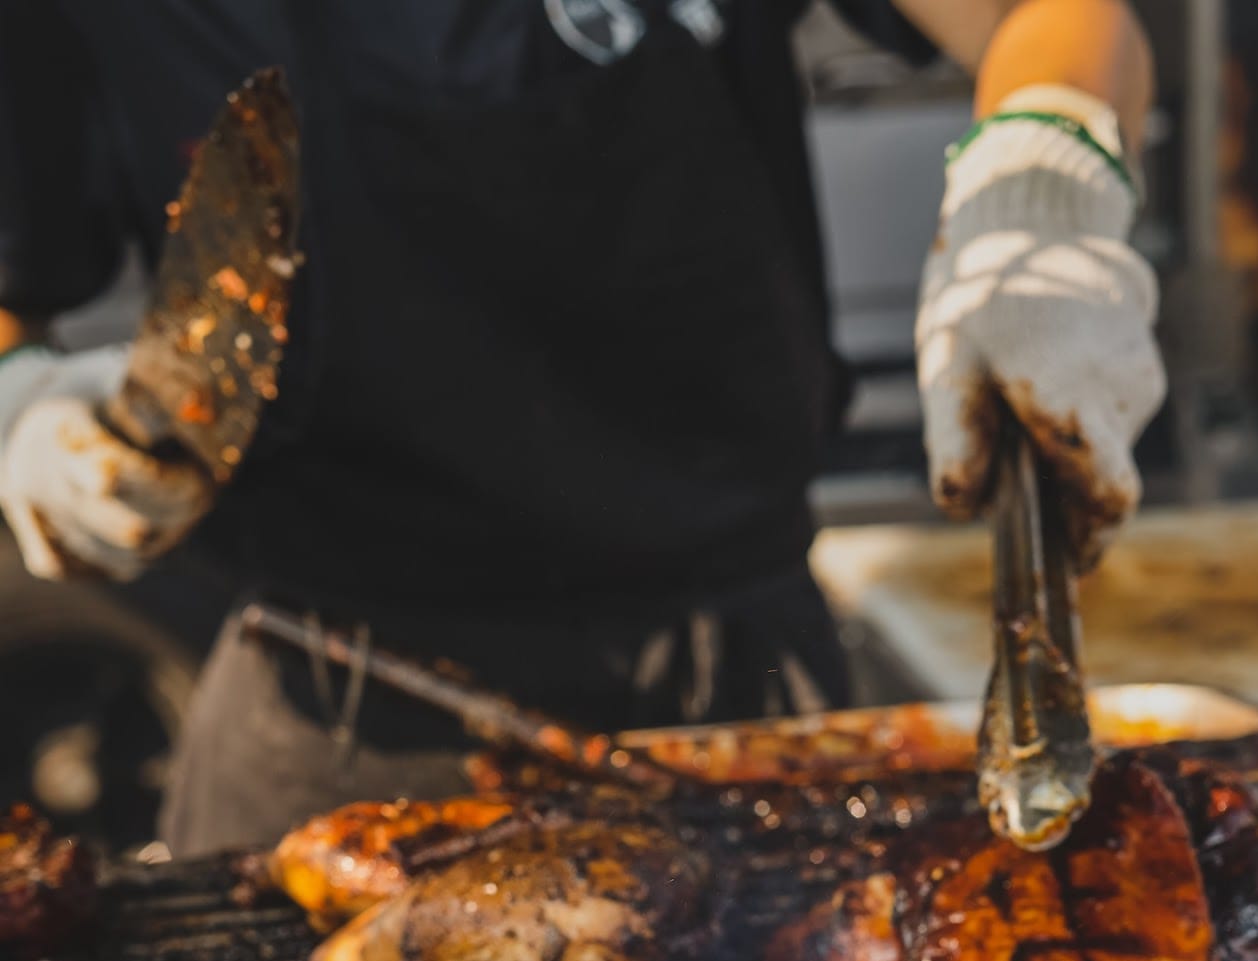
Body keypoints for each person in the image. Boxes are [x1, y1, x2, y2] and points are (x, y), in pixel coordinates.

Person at [0, 1, 1164, 854]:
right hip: (329, 710)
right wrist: (23, 403)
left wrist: (1043, 181)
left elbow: (1046, 17)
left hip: (743, 677)